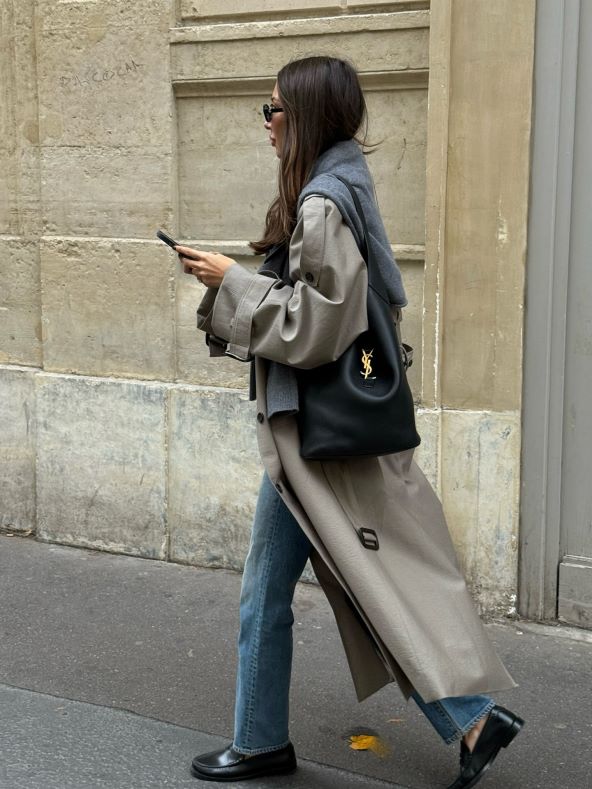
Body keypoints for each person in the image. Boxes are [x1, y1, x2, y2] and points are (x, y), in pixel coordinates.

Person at [175, 55, 524, 789]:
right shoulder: (339, 184)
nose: (267, 124)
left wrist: (230, 282)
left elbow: (319, 325)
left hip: (315, 435)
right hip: (316, 430)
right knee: (318, 583)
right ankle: (275, 737)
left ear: (304, 115)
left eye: (273, 109)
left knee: (334, 584)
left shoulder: (322, 202)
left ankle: (273, 741)